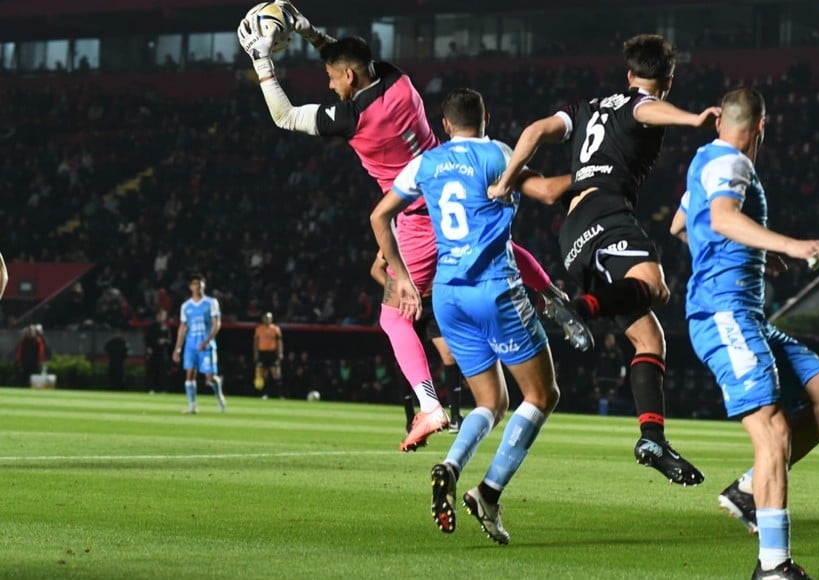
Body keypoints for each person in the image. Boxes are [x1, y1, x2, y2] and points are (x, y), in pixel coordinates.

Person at [237, 6, 590, 452]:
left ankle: (429, 405)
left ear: (347, 77)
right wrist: (308, 30)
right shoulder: (398, 81)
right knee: (497, 247)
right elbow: (348, 58)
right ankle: (553, 297)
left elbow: (284, 117)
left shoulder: (350, 119)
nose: (328, 85)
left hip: (418, 212)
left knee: (392, 314)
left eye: (332, 79)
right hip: (457, 183)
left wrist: (263, 64)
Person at [487, 33, 718, 486]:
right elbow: (645, 108)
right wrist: (694, 118)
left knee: (650, 339)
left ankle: (652, 438)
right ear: (666, 80)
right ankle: (580, 306)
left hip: (572, 233)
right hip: (607, 214)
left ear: (628, 72)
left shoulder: (583, 107)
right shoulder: (643, 103)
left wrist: (505, 182)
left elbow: (533, 132)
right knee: (656, 285)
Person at [672, 87, 819, 579]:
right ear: (762, 127)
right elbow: (725, 217)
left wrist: (751, 253)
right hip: (724, 315)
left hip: (745, 315)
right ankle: (773, 567)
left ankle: (749, 490)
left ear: (719, 123)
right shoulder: (733, 163)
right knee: (772, 432)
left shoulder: (704, 161)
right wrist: (791, 246)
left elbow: (681, 225)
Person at [371, 88, 561, 544]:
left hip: (447, 295)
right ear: (486, 117)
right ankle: (489, 492)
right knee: (542, 394)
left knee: (491, 403)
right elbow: (548, 193)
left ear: (444, 125)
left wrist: (401, 279)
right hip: (494, 289)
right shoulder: (498, 154)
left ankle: (451, 466)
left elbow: (380, 216)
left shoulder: (426, 164)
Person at [370, 251, 464, 432]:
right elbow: (376, 269)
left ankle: (455, 416)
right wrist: (399, 289)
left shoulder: (438, 231)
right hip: (407, 302)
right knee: (407, 362)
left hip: (433, 303)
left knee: (449, 354)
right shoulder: (396, 237)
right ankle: (410, 417)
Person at [172, 274, 226, 414]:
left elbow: (217, 323)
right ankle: (192, 405)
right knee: (189, 374)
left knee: (209, 377)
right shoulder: (186, 306)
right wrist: (178, 348)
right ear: (191, 287)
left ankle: (218, 393)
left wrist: (207, 340)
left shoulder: (211, 302)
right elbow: (182, 327)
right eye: (196, 283)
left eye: (201, 283)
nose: (199, 286)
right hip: (191, 345)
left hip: (206, 345)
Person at [253, 311, 283, 399]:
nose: (267, 319)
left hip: (272, 353)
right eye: (266, 318)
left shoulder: (276, 329)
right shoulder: (259, 329)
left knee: (276, 374)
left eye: (269, 318)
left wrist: (280, 352)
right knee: (264, 374)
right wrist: (256, 353)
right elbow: (255, 342)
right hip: (262, 353)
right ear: (263, 319)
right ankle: (265, 394)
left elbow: (279, 341)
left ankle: (279, 394)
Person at [145, 308, 173, 393]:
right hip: (153, 352)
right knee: (152, 371)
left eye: (164, 316)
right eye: (161, 315)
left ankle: (163, 388)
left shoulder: (166, 328)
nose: (162, 317)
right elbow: (147, 339)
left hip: (163, 353)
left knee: (163, 372)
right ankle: (151, 388)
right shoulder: (151, 327)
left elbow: (170, 341)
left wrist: (164, 341)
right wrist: (149, 347)